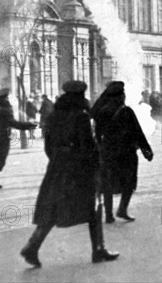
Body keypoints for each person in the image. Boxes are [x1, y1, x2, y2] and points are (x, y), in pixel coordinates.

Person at [20, 81, 119, 268]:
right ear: (80, 96)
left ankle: (32, 246)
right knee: (94, 207)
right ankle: (98, 249)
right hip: (79, 170)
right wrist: (96, 167)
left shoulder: (53, 116)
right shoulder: (81, 116)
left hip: (57, 168)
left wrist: (58, 161)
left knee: (52, 208)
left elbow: (48, 146)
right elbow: (88, 146)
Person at [91, 81, 154, 223]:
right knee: (129, 182)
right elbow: (137, 132)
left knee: (107, 183)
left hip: (107, 153)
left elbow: (97, 132)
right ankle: (122, 209)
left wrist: (102, 148)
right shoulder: (126, 111)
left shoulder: (102, 112)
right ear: (120, 96)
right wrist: (146, 150)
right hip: (126, 153)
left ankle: (108, 215)